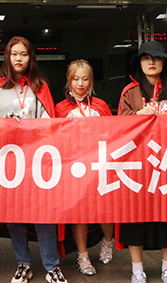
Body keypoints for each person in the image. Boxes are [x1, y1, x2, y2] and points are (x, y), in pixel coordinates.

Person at [0, 36, 67, 283]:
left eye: (24, 54)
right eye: (14, 54)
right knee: (14, 213)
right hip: (8, 162)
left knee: (44, 214)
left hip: (37, 161)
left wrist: (28, 128)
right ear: (7, 57)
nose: (18, 58)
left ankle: (52, 265)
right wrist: (5, 125)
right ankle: (23, 263)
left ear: (31, 58)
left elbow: (50, 126)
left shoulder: (41, 87)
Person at [118, 41, 167, 283]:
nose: (151, 62)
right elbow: (117, 127)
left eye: (156, 58)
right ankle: (137, 269)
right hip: (137, 166)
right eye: (145, 58)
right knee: (135, 218)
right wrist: (136, 115)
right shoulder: (129, 91)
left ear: (164, 63)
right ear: (139, 63)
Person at [54, 60, 113, 276]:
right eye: (76, 79)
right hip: (74, 168)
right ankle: (83, 256)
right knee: (79, 213)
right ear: (69, 80)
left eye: (85, 79)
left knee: (106, 210)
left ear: (91, 81)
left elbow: (114, 134)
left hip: (99, 165)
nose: (80, 83)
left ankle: (108, 242)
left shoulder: (101, 106)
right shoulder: (60, 108)